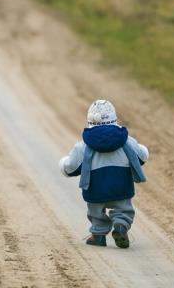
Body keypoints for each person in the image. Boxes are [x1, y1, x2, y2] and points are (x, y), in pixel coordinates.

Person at [58, 100, 149, 248]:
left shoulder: (83, 146)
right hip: (121, 187)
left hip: (95, 190)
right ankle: (121, 226)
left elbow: (70, 167)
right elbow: (141, 156)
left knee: (95, 212)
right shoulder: (126, 141)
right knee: (124, 210)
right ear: (114, 119)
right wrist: (144, 150)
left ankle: (98, 235)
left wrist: (63, 164)